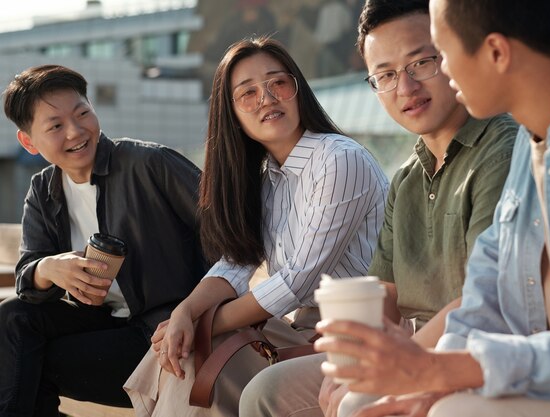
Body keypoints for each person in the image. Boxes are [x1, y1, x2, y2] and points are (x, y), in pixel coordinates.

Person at [314, 0, 550, 416]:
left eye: (436, 55)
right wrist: (429, 383)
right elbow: (486, 296)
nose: (432, 76)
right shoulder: (532, 141)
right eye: (386, 75)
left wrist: (446, 373)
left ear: (496, 52)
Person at [238, 1, 518, 416]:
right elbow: (381, 298)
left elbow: (485, 298)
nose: (405, 88)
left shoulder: (500, 150)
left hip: (477, 354)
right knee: (266, 393)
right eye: (385, 75)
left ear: (454, 55)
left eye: (421, 62)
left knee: (356, 403)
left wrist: (393, 367)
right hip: (409, 351)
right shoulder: (405, 179)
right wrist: (353, 362)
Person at [123, 36, 389, 417]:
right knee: (189, 354)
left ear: (298, 90)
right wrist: (185, 312)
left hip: (356, 333)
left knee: (196, 349)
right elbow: (235, 262)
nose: (266, 98)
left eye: (278, 83)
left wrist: (203, 325)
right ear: (231, 114)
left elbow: (297, 281)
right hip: (299, 329)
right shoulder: (268, 177)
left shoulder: (339, 160)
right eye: (247, 93)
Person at [0, 65, 208, 417]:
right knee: (12, 318)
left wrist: (199, 310)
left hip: (164, 333)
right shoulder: (43, 190)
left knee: (22, 365)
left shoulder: (150, 164)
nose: (76, 132)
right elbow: (26, 276)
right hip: (106, 325)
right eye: (55, 126)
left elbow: (229, 230)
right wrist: (51, 268)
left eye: (83, 113)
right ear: (29, 141)